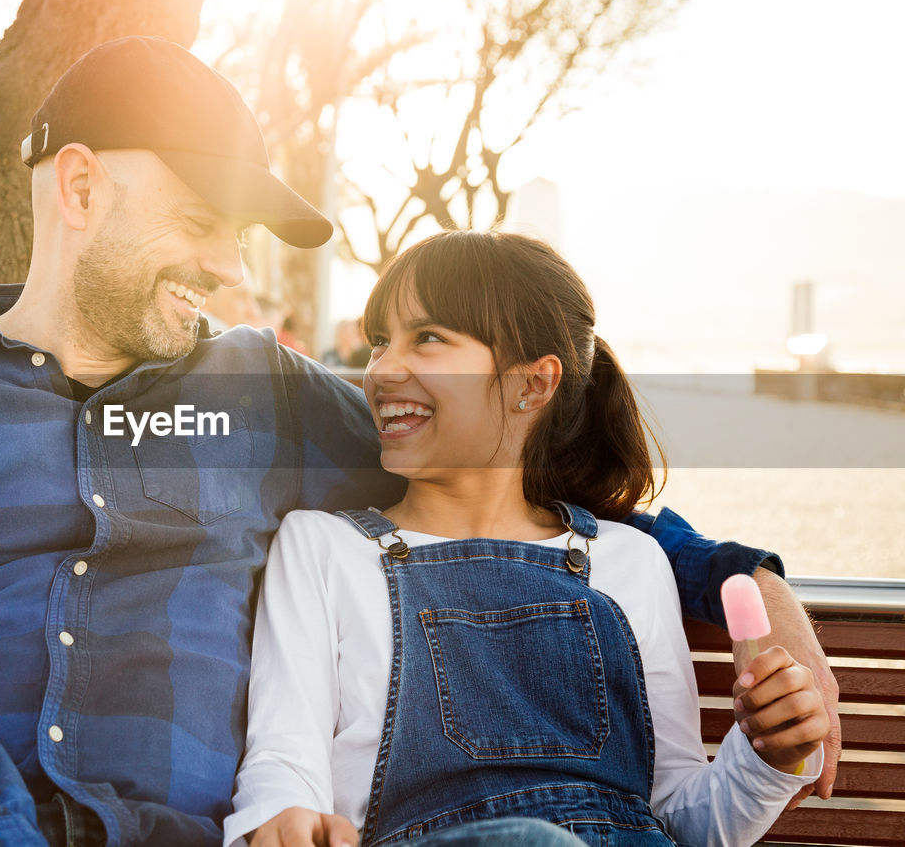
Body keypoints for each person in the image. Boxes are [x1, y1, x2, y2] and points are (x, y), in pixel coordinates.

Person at [0, 38, 837, 847]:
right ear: (81, 187)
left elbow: (501, 478)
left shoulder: (261, 392)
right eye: (199, 224)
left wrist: (742, 576)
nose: (226, 272)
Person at [224, 231, 829, 847]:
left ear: (532, 386)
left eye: (427, 338)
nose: (382, 368)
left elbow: (679, 816)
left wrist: (766, 758)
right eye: (381, 340)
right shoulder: (321, 549)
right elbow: (284, 762)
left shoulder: (630, 560)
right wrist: (281, 820)